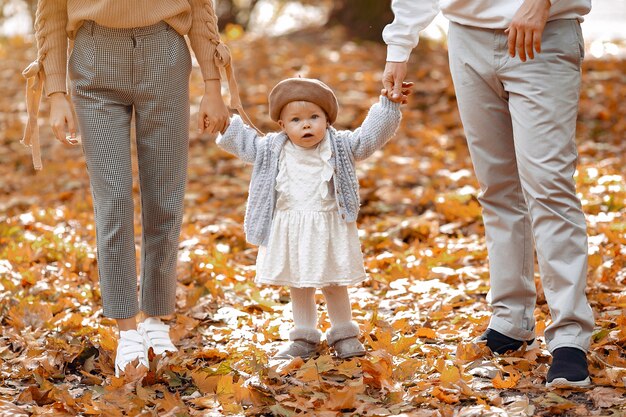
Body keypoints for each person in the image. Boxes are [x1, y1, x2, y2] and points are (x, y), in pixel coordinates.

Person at [382, 0, 594, 388]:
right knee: (497, 189)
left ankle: (570, 337)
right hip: (467, 38)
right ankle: (511, 320)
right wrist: (400, 45)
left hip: (544, 33)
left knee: (549, 188)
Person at [23, 1, 234, 377]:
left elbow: (200, 6)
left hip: (164, 55)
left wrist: (213, 85)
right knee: (114, 201)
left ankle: (156, 320)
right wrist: (55, 92)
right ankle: (127, 331)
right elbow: (52, 12)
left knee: (165, 199)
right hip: (92, 60)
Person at [216, 77, 409, 359]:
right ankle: (304, 337)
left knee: (334, 282)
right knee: (300, 283)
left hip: (329, 226)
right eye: (295, 119)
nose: (306, 124)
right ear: (282, 125)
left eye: (314, 117)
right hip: (292, 228)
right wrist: (223, 122)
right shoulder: (271, 149)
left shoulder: (340, 146)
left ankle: (344, 333)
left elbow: (368, 138)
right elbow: (243, 142)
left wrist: (388, 106)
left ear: (327, 121)